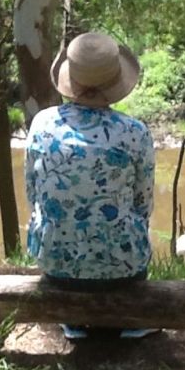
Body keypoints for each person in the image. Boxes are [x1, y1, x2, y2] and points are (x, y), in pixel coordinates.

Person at [24, 32, 157, 340]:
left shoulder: (42, 124)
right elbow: (143, 204)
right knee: (131, 232)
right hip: (122, 270)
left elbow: (33, 195)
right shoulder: (135, 132)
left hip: (55, 262)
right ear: (115, 82)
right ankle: (131, 322)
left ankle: (72, 321)